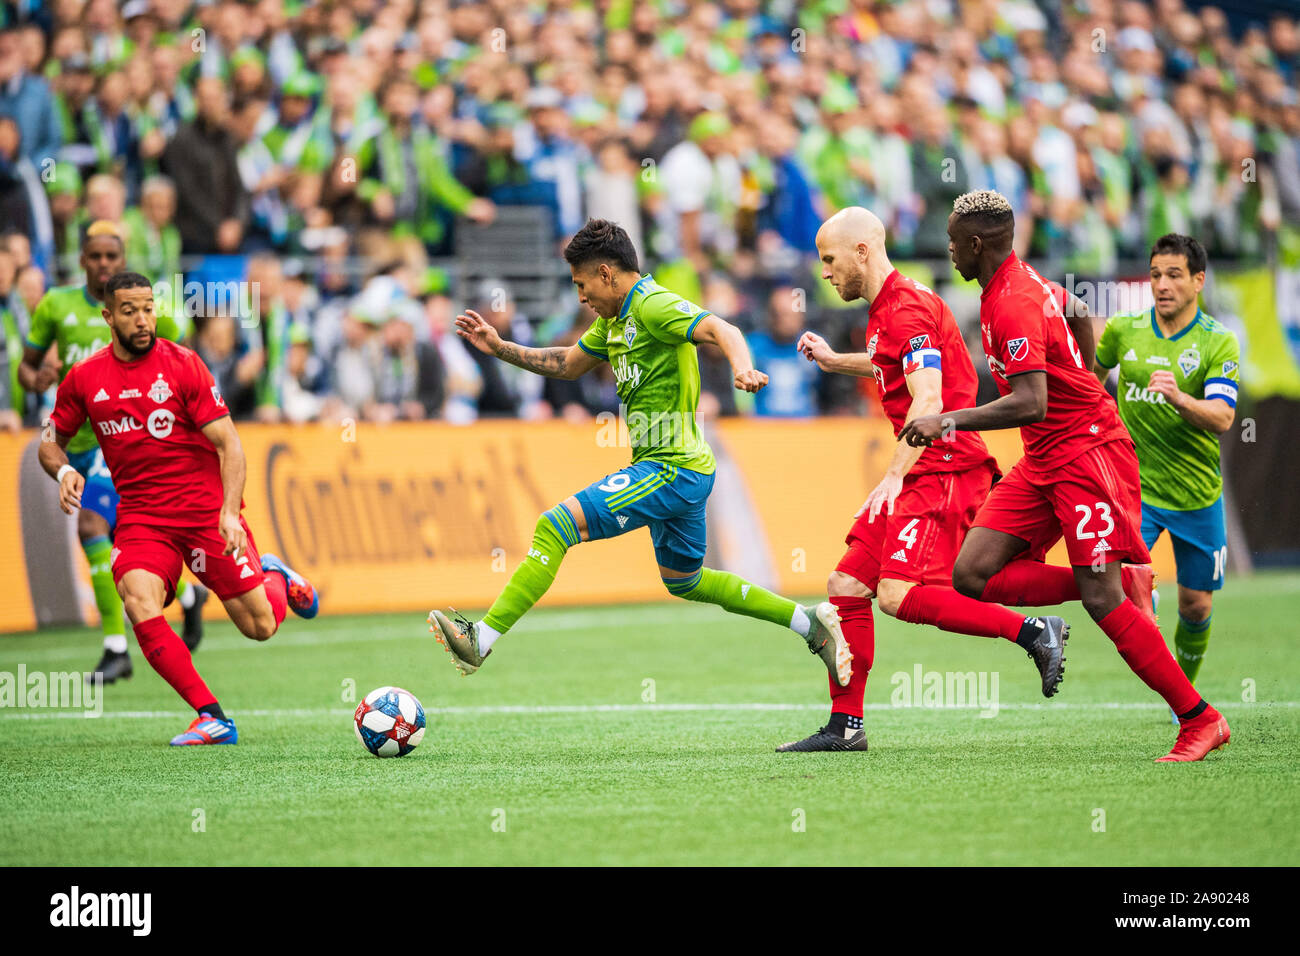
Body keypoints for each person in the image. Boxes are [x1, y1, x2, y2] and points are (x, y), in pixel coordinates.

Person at [428, 218, 851, 688]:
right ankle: (810, 622)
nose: (581, 297)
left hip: (671, 468)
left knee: (555, 525)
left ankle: (480, 639)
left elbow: (721, 328)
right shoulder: (614, 321)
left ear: (607, 273)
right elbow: (568, 364)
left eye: (582, 284)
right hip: (685, 469)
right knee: (685, 580)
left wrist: (743, 368)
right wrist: (500, 346)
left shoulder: (653, 305)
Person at [899, 190, 1229, 762]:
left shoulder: (1010, 303)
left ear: (976, 244)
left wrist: (948, 420)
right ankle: (1124, 583)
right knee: (971, 574)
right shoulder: (1017, 284)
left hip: (1084, 455)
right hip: (1045, 458)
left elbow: (1030, 401)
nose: (948, 251)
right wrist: (1087, 369)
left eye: (953, 242)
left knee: (1100, 603)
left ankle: (1200, 720)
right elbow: (1075, 307)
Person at [781, 207, 1070, 752]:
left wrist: (893, 477)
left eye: (829, 259)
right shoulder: (891, 308)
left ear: (862, 251)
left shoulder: (906, 308)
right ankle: (846, 727)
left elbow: (929, 397)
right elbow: (894, 365)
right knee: (846, 588)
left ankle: (1034, 631)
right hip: (926, 467)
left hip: (941, 468)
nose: (824, 272)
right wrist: (835, 360)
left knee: (895, 594)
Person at [39, 270, 318, 746]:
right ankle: (212, 717)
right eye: (130, 311)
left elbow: (230, 445)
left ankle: (275, 576)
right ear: (109, 317)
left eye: (148, 308)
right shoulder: (85, 378)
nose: (143, 320)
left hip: (206, 513)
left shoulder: (183, 364)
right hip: (144, 520)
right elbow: (50, 442)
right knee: (137, 598)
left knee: (261, 626)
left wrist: (230, 513)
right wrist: (64, 471)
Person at [20, 221, 204, 684]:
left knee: (92, 525)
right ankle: (185, 596)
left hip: (116, 439)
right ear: (82, 260)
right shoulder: (56, 305)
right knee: (123, 539)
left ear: (123, 263)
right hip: (64, 439)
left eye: (112, 258)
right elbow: (26, 366)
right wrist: (36, 379)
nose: (104, 264)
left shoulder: (144, 312)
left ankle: (115, 646)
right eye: (95, 257)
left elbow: (180, 353)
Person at [1093, 233, 1239, 714]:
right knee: (1126, 584)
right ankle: (1167, 673)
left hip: (1197, 495)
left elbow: (1221, 417)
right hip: (1134, 488)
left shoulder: (1217, 342)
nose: (1162, 284)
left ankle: (1183, 693)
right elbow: (1089, 380)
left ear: (1198, 280)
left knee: (1196, 605)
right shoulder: (1123, 331)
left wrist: (1178, 398)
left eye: (1174, 275)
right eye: (1156, 274)